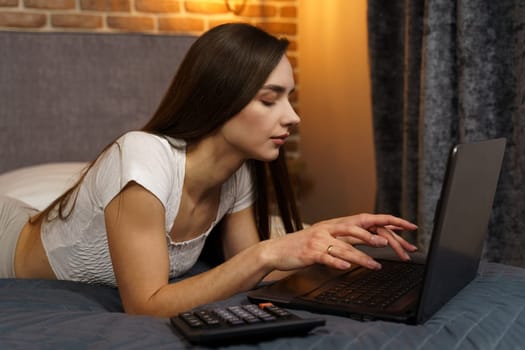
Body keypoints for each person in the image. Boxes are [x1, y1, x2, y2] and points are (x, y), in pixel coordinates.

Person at [1, 23, 417, 318]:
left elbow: (252, 265)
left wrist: (320, 240)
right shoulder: (142, 157)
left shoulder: (237, 175)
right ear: (220, 99)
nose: (292, 117)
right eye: (270, 100)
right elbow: (145, 305)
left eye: (290, 98)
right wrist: (266, 251)